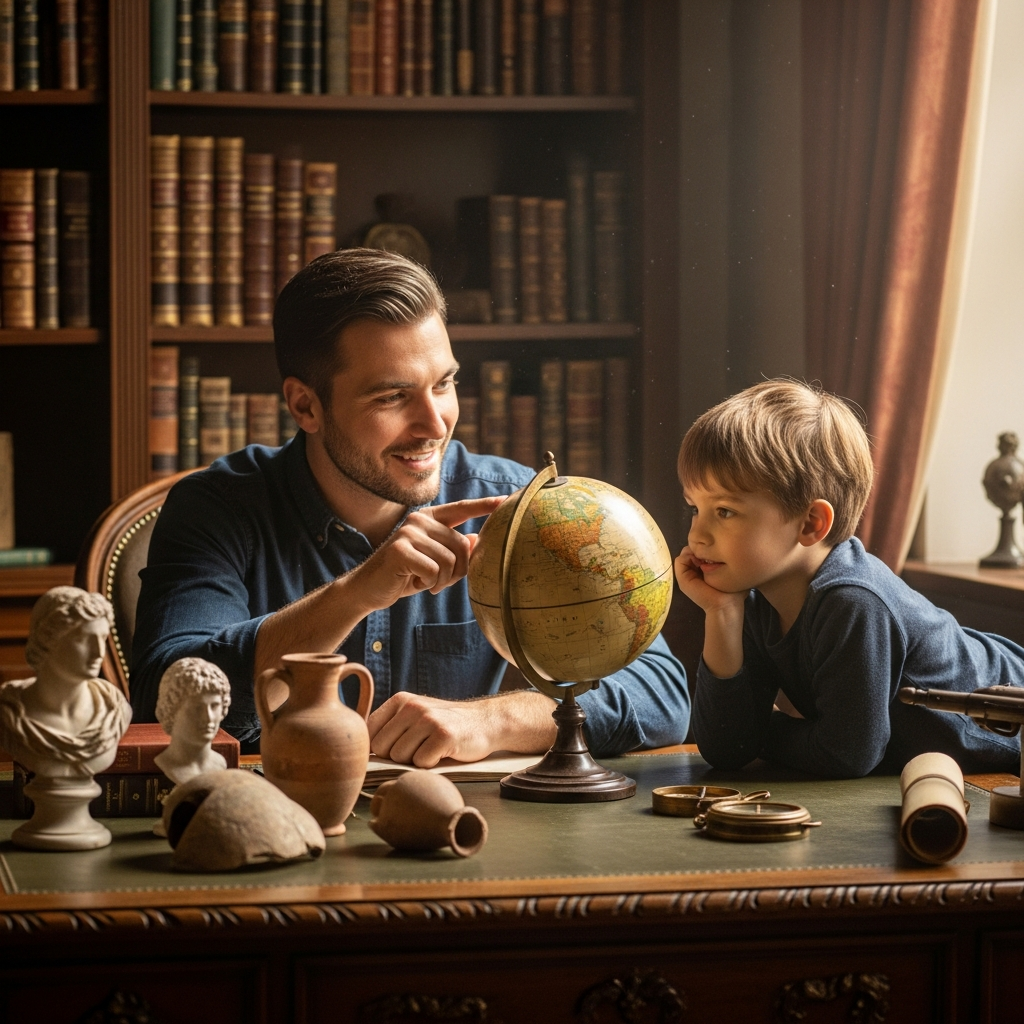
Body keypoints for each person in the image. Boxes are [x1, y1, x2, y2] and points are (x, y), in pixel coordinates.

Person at [131, 248, 689, 762]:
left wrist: (493, 721)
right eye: (393, 396)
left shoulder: (518, 510)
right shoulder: (216, 509)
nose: (434, 424)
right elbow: (167, 697)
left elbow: (661, 692)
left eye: (443, 384)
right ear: (305, 406)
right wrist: (356, 594)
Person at [675, 379, 1024, 778]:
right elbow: (726, 748)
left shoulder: (852, 600)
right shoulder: (756, 600)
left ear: (811, 523)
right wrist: (720, 613)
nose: (696, 535)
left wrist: (761, 733)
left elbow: (844, 754)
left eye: (724, 512)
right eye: (694, 509)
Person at [0, 587, 132, 780]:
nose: (98, 653)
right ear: (47, 640)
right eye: (82, 639)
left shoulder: (114, 710)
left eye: (103, 638)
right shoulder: (9, 713)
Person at [154, 657, 232, 783]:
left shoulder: (220, 764)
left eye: (215, 706)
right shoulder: (166, 765)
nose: (209, 717)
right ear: (171, 710)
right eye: (197, 708)